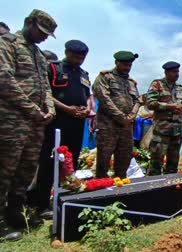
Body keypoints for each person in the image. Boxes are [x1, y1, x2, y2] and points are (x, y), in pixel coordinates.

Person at [0, 9, 57, 241]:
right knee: (5, 170)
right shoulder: (8, 44)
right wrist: (34, 110)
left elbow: (46, 86)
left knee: (25, 170)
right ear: (28, 23)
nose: (44, 37)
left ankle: (16, 213)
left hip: (35, 124)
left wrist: (50, 109)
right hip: (12, 120)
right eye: (41, 31)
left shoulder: (39, 54)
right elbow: (4, 79)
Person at [30, 40, 91, 218]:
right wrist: (66, 108)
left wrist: (87, 108)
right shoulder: (53, 68)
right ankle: (41, 204)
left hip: (77, 123)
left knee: (71, 160)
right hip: (57, 122)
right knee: (49, 162)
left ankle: (63, 198)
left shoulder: (83, 74)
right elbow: (45, 94)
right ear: (66, 52)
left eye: (82, 57)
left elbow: (87, 95)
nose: (79, 60)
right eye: (75, 56)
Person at [93, 51, 143, 178]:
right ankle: (100, 190)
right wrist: (121, 117)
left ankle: (120, 188)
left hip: (126, 128)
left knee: (124, 160)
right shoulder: (105, 77)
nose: (127, 68)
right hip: (108, 127)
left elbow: (138, 101)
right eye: (124, 65)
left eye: (130, 65)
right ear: (116, 63)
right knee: (103, 161)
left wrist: (131, 116)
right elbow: (104, 99)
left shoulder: (131, 82)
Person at [146, 61, 182, 175]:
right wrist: (170, 106)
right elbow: (150, 103)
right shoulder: (157, 84)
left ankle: (170, 189)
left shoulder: (180, 88)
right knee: (156, 164)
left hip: (176, 132)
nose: (177, 74)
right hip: (161, 132)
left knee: (173, 165)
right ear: (166, 72)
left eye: (178, 72)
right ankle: (153, 188)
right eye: (174, 72)